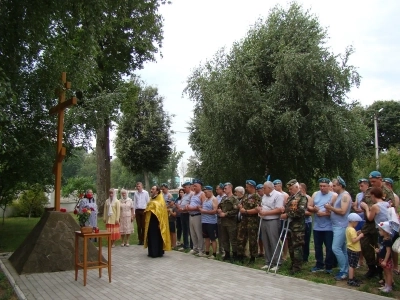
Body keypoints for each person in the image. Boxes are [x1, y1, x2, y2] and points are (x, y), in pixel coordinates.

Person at [360, 171, 394, 278]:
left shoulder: (387, 192)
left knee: (380, 247)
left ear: (380, 179)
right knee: (364, 243)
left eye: (374, 181)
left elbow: (390, 207)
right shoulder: (370, 190)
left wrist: (368, 208)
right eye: (371, 182)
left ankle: (381, 271)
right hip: (369, 223)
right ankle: (371, 267)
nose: (372, 184)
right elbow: (363, 202)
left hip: (381, 225)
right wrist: (363, 206)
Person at [325, 176, 352, 281]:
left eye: (334, 186)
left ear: (340, 186)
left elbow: (343, 211)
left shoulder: (345, 196)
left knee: (335, 248)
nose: (333, 187)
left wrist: (330, 208)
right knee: (343, 249)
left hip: (341, 225)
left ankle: (343, 270)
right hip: (337, 225)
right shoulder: (339, 195)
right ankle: (346, 269)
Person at [307, 178, 335, 274]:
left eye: (324, 186)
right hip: (317, 226)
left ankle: (329, 266)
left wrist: (325, 214)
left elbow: (336, 212)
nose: (322, 188)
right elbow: (309, 206)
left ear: (328, 186)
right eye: (320, 186)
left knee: (329, 246)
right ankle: (319, 264)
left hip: (329, 226)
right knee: (317, 246)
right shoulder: (315, 194)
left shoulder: (333, 196)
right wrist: (314, 209)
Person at [280, 179, 307, 274]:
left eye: (291, 189)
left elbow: (300, 212)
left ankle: (297, 266)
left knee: (297, 247)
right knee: (291, 246)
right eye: (289, 189)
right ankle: (293, 264)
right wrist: (284, 210)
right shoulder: (291, 198)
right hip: (290, 226)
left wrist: (287, 215)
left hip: (298, 227)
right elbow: (288, 209)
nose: (289, 191)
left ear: (297, 187)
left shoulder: (302, 198)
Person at [257, 181, 284, 270]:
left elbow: (279, 210)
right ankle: (268, 262)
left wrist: (266, 212)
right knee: (265, 241)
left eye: (264, 188)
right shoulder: (264, 196)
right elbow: (263, 205)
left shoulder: (278, 195)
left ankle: (277, 263)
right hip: (263, 220)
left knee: (273, 241)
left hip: (273, 220)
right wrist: (260, 209)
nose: (262, 189)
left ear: (269, 188)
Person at [144, 185, 171, 258]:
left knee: (156, 236)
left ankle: (157, 252)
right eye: (151, 189)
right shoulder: (151, 199)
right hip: (150, 220)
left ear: (157, 191)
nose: (151, 190)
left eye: (153, 189)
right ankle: (151, 252)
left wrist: (152, 206)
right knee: (151, 236)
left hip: (157, 221)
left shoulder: (160, 199)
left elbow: (160, 209)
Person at [217, 182, 239, 262]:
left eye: (225, 188)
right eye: (224, 189)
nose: (224, 190)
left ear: (230, 188)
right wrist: (219, 210)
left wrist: (225, 214)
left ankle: (235, 255)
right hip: (223, 222)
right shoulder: (223, 198)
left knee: (233, 239)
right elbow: (219, 206)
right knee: (224, 239)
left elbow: (236, 210)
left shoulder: (234, 199)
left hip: (231, 222)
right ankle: (227, 254)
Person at [383, 177, 400, 274]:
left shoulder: (394, 196)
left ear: (390, 186)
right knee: (386, 246)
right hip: (385, 224)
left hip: (393, 224)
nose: (385, 186)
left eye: (387, 184)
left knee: (393, 246)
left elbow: (394, 209)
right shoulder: (384, 195)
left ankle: (396, 266)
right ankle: (387, 264)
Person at [186, 179, 206, 256]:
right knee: (192, 233)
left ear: (200, 186)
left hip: (197, 216)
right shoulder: (193, 194)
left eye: (196, 186)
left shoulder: (202, 194)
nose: (194, 187)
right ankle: (195, 248)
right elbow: (191, 203)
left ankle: (201, 250)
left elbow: (203, 206)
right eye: (193, 186)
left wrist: (193, 208)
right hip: (191, 216)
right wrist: (188, 206)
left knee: (199, 233)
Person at [352, 178, 369, 267]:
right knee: (358, 239)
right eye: (359, 186)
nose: (360, 188)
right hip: (359, 220)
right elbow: (356, 204)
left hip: (367, 220)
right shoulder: (358, 195)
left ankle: (369, 260)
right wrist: (355, 208)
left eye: (362, 186)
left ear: (367, 185)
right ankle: (360, 260)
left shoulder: (370, 194)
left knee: (365, 241)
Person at [199, 186, 218, 259]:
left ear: (210, 191)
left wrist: (204, 211)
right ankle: (207, 252)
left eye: (206, 192)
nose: (205, 194)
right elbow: (204, 208)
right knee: (206, 237)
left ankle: (214, 253)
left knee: (212, 238)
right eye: (204, 193)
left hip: (211, 222)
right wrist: (200, 208)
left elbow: (214, 211)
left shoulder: (214, 199)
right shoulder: (206, 200)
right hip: (204, 221)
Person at [346, 213, 364, 287]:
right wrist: (360, 236)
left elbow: (351, 237)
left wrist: (356, 233)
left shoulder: (348, 229)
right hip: (354, 249)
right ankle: (350, 279)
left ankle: (353, 277)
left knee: (353, 264)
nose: (357, 224)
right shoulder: (352, 230)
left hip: (350, 249)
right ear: (353, 222)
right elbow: (354, 240)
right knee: (352, 265)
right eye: (356, 222)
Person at [375, 221, 394, 293]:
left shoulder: (388, 241)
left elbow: (388, 251)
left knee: (388, 273)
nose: (379, 232)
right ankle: (386, 285)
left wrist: (385, 261)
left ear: (385, 231)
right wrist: (379, 251)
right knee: (385, 273)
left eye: (380, 230)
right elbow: (383, 249)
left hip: (386, 260)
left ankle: (389, 287)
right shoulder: (384, 239)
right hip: (382, 258)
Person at [274, 179, 289, 261]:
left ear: (280, 186)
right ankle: (276, 253)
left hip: (282, 219)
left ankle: (285, 254)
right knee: (275, 236)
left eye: (275, 186)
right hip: (275, 218)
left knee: (284, 237)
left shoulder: (285, 195)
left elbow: (287, 208)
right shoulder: (274, 195)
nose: (274, 187)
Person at [177, 181, 192, 251]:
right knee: (184, 230)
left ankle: (192, 246)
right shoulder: (184, 195)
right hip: (182, 213)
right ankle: (186, 245)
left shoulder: (192, 194)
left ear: (189, 187)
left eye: (185, 187)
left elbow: (190, 204)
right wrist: (179, 207)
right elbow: (181, 202)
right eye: (183, 187)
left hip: (188, 214)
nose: (184, 189)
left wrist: (183, 208)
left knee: (190, 230)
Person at [300, 183, 312, 263]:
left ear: (303, 189)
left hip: (306, 222)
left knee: (306, 240)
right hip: (298, 222)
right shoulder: (297, 198)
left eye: (299, 188)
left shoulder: (308, 198)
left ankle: (305, 257)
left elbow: (309, 212)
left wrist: (299, 212)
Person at [216, 183, 226, 256]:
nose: (216, 190)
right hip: (217, 217)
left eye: (217, 189)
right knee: (219, 235)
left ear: (222, 189)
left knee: (224, 235)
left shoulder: (225, 197)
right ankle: (220, 250)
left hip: (224, 217)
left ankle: (224, 251)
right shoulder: (217, 197)